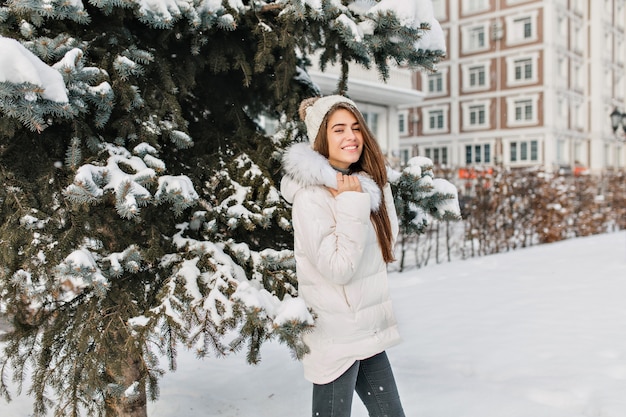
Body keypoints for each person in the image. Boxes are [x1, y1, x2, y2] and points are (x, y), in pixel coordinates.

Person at [280, 95, 405, 417]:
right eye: (338, 130)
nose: (351, 137)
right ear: (321, 140)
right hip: (337, 337)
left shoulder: (357, 185)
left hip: (363, 330)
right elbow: (338, 269)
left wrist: (372, 186)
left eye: (355, 128)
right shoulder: (311, 197)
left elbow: (386, 246)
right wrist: (352, 202)